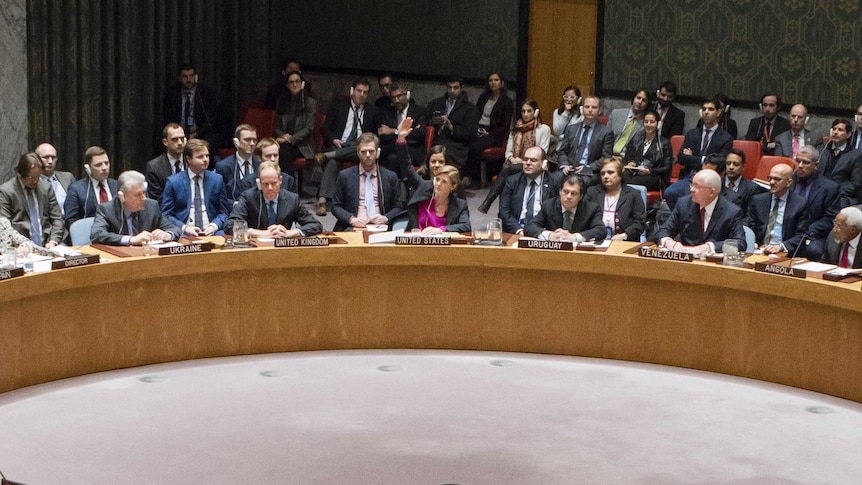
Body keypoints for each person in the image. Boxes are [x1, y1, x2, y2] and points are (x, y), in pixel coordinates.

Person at [316, 78, 379, 216]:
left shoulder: (372, 111)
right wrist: (333, 139)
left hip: (359, 149)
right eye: (359, 91)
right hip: (339, 145)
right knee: (333, 161)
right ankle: (322, 200)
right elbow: (325, 128)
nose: (361, 95)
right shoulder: (338, 105)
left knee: (360, 149)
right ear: (352, 91)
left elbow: (374, 136)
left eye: (365, 92)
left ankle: (327, 155)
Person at [394, 123, 470, 234]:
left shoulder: (459, 203)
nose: (438, 184)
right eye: (437, 180)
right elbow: (407, 167)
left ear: (453, 186)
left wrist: (441, 230)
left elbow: (466, 226)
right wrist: (401, 139)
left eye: (443, 181)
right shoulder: (423, 185)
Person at [478, 99, 551, 213]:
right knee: (508, 170)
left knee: (507, 170)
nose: (526, 114)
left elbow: (542, 153)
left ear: (535, 112)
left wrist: (522, 161)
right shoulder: (516, 129)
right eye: (523, 111)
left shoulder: (543, 129)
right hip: (513, 164)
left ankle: (488, 202)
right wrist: (512, 159)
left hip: (534, 165)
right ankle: (503, 212)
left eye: (529, 111)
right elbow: (508, 152)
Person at [664, 98, 734, 210]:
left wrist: (694, 158)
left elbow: (720, 161)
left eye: (710, 109)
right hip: (690, 176)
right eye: (704, 109)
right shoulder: (692, 134)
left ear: (718, 112)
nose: (706, 112)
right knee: (670, 193)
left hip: (711, 179)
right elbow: (681, 158)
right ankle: (681, 220)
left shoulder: (726, 138)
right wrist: (705, 160)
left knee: (694, 198)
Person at [656, 169, 746, 254]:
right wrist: (668, 241)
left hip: (714, 264)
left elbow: (740, 243)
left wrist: (709, 247)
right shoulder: (683, 204)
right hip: (687, 260)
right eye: (692, 184)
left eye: (697, 186)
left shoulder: (731, 212)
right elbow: (664, 230)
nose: (691, 189)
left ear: (711, 192)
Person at [227, 161, 321, 238]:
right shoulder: (248, 197)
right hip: (255, 248)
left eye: (274, 183)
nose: (270, 188)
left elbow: (315, 225)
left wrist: (291, 233)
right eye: (265, 184)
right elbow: (230, 225)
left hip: (283, 247)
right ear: (259, 183)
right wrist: (259, 233)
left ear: (280, 180)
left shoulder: (292, 199)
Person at [331, 132, 404, 231]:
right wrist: (351, 219)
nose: (368, 155)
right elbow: (335, 206)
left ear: (377, 153)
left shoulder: (390, 177)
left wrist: (386, 218)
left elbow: (398, 206)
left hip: (381, 226)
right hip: (353, 227)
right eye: (363, 152)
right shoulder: (345, 176)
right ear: (358, 153)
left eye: (371, 151)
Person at [90, 170, 181, 246]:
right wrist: (131, 239)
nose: (143, 198)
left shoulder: (152, 206)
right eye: (138, 194)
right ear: (122, 196)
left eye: (144, 193)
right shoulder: (106, 210)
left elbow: (175, 229)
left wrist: (168, 235)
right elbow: (96, 235)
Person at [162, 139, 230, 236]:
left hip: (213, 232)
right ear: (188, 159)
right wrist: (184, 228)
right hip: (184, 232)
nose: (205, 159)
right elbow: (166, 215)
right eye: (200, 157)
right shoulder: (173, 182)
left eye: (207, 155)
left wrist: (214, 226)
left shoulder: (217, 180)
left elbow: (224, 213)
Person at [0, 153, 63, 248]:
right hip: (20, 247)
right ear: (20, 174)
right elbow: (4, 227)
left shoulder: (46, 187)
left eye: (38, 176)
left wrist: (53, 240)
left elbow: (57, 219)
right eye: (31, 177)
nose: (35, 181)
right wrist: (22, 244)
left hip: (47, 245)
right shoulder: (7, 191)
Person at [745, 164, 809, 255]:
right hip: (759, 249)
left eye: (777, 179)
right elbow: (748, 225)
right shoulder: (757, 201)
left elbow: (802, 235)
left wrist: (781, 247)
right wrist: (752, 241)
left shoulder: (800, 204)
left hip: (784, 251)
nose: (771, 182)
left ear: (789, 182)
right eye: (770, 178)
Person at [498, 146, 563, 235]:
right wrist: (519, 230)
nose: (528, 163)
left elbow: (558, 212)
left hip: (544, 232)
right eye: (525, 159)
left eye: (533, 160)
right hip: (518, 230)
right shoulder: (512, 181)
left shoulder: (554, 181)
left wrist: (544, 234)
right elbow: (504, 211)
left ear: (544, 163)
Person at [791, 145, 841, 261]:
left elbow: (830, 219)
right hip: (789, 230)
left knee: (813, 249)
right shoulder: (786, 181)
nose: (800, 166)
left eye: (806, 163)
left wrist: (806, 231)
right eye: (798, 161)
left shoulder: (830, 188)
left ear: (816, 166)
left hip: (813, 234)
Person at [465, 72, 514, 185]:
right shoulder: (483, 97)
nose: (493, 83)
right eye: (491, 80)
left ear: (502, 83)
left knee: (476, 146)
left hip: (495, 135)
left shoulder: (507, 101)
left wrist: (488, 133)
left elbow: (505, 125)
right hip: (479, 129)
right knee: (466, 139)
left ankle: (472, 178)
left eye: (496, 80)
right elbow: (476, 115)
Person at [524, 174, 606, 242]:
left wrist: (575, 237)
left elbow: (600, 230)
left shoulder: (591, 209)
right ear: (560, 192)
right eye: (565, 192)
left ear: (581, 196)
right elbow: (530, 226)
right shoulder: (548, 206)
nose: (568, 196)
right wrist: (550, 235)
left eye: (573, 193)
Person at [424, 75, 480, 172]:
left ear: (462, 88)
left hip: (456, 144)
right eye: (449, 87)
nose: (452, 90)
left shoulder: (469, 108)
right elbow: (423, 119)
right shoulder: (436, 103)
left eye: (455, 87)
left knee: (445, 151)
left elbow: (471, 134)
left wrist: (451, 128)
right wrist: (432, 122)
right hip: (436, 138)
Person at [556, 95, 614, 186]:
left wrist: (587, 168)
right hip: (569, 169)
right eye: (587, 107)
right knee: (554, 179)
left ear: (600, 110)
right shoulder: (571, 129)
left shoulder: (606, 132)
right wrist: (564, 165)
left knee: (579, 183)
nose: (590, 110)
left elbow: (606, 158)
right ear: (582, 109)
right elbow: (562, 151)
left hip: (590, 172)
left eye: (594, 107)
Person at [585, 157, 646, 241]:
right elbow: (584, 219)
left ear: (620, 175)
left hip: (624, 242)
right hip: (595, 241)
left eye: (610, 172)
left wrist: (624, 235)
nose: (606, 176)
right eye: (603, 173)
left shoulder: (633, 195)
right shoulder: (592, 192)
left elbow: (640, 223)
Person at [64, 146, 119, 232]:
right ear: (88, 168)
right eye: (98, 165)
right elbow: (71, 221)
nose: (104, 168)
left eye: (106, 163)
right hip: (89, 237)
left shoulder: (117, 186)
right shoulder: (76, 189)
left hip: (116, 238)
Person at [162, 63, 217, 146]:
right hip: (177, 135)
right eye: (185, 76)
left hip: (200, 135)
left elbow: (211, 119)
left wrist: (196, 134)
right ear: (180, 78)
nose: (188, 80)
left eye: (191, 76)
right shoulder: (172, 94)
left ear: (196, 77)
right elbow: (167, 118)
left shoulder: (205, 93)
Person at [376, 81, 425, 175]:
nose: (396, 100)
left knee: (394, 158)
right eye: (393, 97)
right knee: (391, 157)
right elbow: (383, 135)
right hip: (392, 150)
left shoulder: (418, 111)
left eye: (399, 96)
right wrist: (407, 134)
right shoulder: (387, 113)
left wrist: (394, 131)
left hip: (412, 150)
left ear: (406, 95)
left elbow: (420, 134)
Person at [274, 70, 316, 174]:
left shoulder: (310, 103)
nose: (295, 84)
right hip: (284, 142)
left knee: (284, 151)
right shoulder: (281, 102)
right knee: (277, 149)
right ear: (287, 85)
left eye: (297, 81)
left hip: (302, 145)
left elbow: (309, 128)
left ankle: (286, 183)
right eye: (291, 82)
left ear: (302, 83)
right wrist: (284, 136)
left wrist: (291, 138)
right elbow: (277, 127)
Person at [622, 110, 672, 192]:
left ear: (658, 124)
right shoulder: (636, 138)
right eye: (646, 122)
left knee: (632, 182)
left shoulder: (664, 143)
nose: (648, 125)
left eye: (652, 122)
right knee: (618, 177)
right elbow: (627, 157)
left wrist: (650, 171)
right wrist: (630, 163)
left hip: (654, 176)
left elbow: (667, 167)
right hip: (635, 173)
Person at [817, 118, 862, 207]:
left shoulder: (856, 155)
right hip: (819, 193)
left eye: (840, 130)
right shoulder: (822, 151)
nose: (835, 132)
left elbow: (855, 184)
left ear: (848, 134)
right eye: (834, 129)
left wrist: (833, 190)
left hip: (841, 196)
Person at [215, 124, 259, 203]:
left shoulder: (261, 165)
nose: (252, 143)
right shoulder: (223, 166)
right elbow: (219, 197)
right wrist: (234, 205)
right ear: (236, 142)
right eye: (247, 140)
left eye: (254, 140)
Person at [146, 123, 186, 205]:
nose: (180, 143)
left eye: (182, 139)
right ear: (165, 142)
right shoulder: (154, 167)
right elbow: (157, 200)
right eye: (175, 139)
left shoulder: (191, 161)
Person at [720, 148, 765, 215]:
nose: (731, 167)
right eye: (728, 163)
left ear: (743, 167)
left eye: (736, 164)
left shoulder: (752, 188)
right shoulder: (717, 183)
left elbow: (750, 216)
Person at [36, 142, 74, 215]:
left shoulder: (68, 178)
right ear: (37, 159)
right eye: (46, 157)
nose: (50, 161)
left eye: (53, 158)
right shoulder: (33, 181)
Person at [609, 88, 649, 156]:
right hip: (609, 156)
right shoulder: (616, 114)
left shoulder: (646, 123)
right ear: (633, 99)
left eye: (644, 100)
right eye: (638, 98)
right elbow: (606, 138)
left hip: (627, 159)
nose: (639, 102)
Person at [552, 85, 583, 151]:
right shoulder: (557, 112)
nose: (569, 100)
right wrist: (566, 113)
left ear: (578, 99)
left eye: (572, 97)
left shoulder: (582, 113)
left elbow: (575, 132)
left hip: (575, 148)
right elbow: (557, 132)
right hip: (559, 147)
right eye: (566, 97)